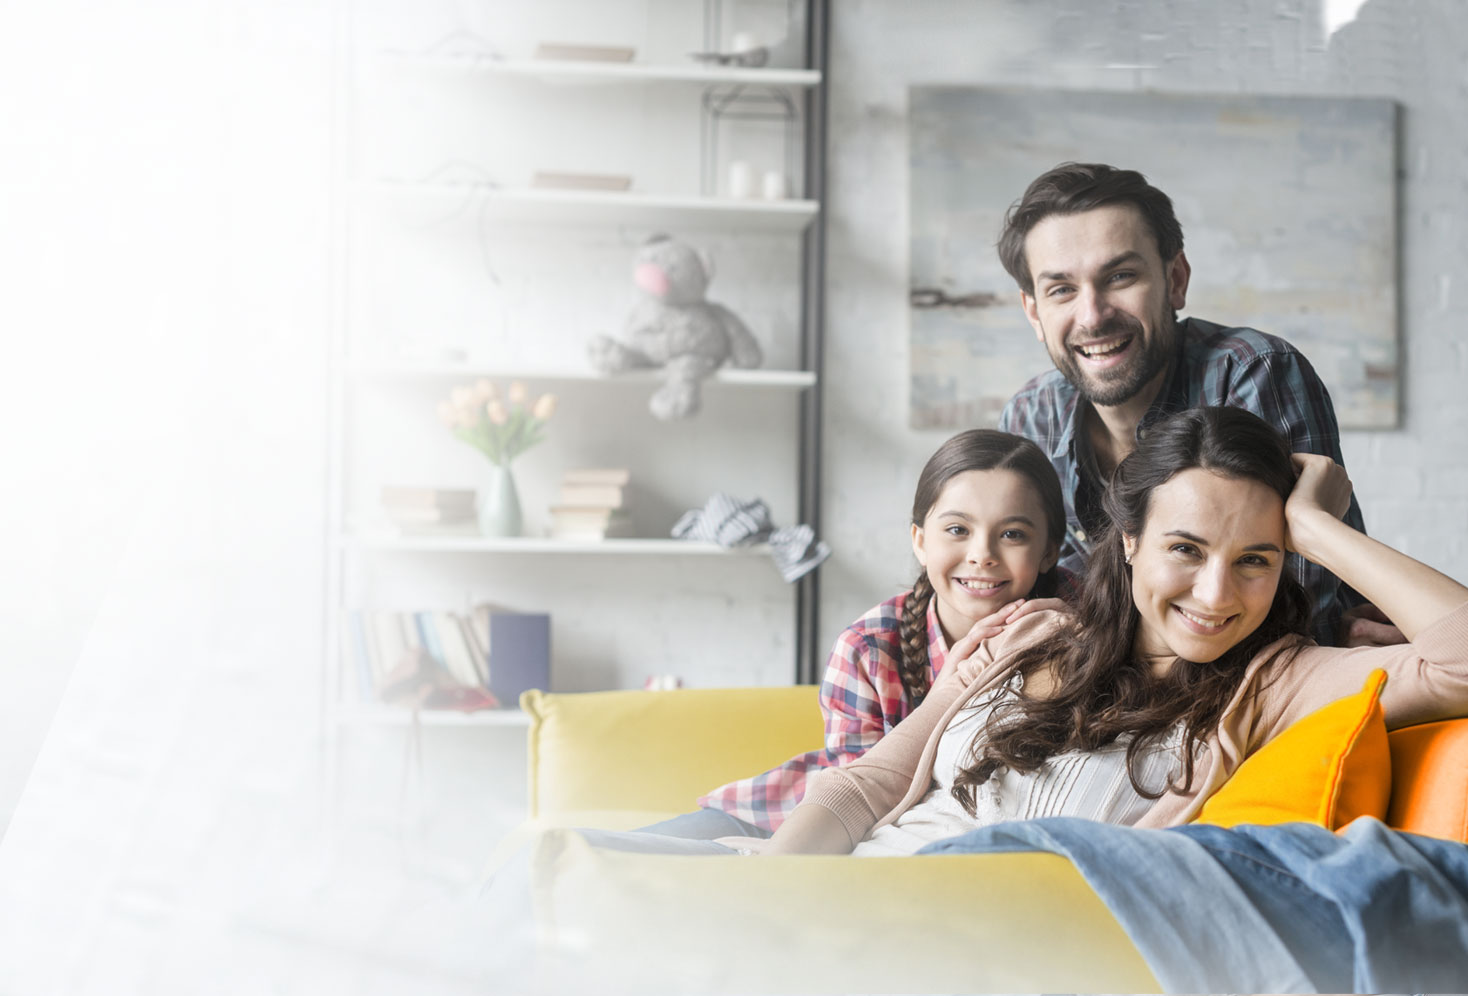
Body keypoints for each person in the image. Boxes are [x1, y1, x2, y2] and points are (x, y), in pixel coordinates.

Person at [723, 407, 1468, 857]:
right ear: (1132, 540)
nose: (1215, 594)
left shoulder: (1277, 681)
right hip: (837, 888)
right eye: (1186, 548)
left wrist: (1315, 528)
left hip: (964, 936)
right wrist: (775, 891)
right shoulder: (1032, 632)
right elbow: (867, 787)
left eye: (1255, 560)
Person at [993, 162, 1393, 647]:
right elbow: (1020, 610)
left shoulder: (1254, 372)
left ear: (1175, 279)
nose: (1092, 315)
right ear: (1034, 311)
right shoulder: (1030, 417)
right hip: (1110, 701)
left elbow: (1292, 614)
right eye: (1062, 289)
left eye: (1120, 276)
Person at [641, 429, 1074, 841]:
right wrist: (948, 692)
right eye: (957, 530)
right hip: (794, 816)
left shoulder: (1081, 630)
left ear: (1049, 551)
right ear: (920, 542)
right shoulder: (867, 648)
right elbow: (857, 801)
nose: (982, 555)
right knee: (608, 859)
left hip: (926, 837)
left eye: (1012, 534)